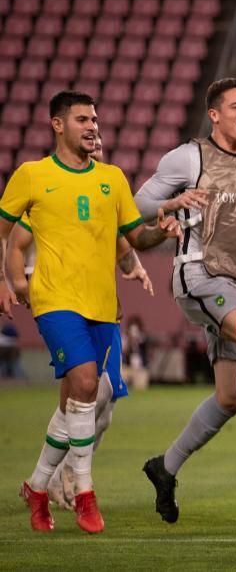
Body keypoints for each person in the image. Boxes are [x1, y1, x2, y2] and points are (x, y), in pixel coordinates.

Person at [0, 90, 180, 534]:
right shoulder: (32, 175)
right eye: (82, 118)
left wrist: (163, 228)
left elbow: (135, 238)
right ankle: (84, 492)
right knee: (84, 383)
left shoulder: (113, 179)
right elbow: (5, 232)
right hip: (54, 299)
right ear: (57, 124)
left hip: (102, 304)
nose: (92, 125)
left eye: (95, 119)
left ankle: (37, 488)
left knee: (78, 402)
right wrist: (7, 281)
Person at [135, 78, 236, 525]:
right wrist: (176, 199)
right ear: (214, 114)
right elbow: (138, 203)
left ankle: (164, 468)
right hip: (199, 274)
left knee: (229, 396)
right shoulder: (189, 156)